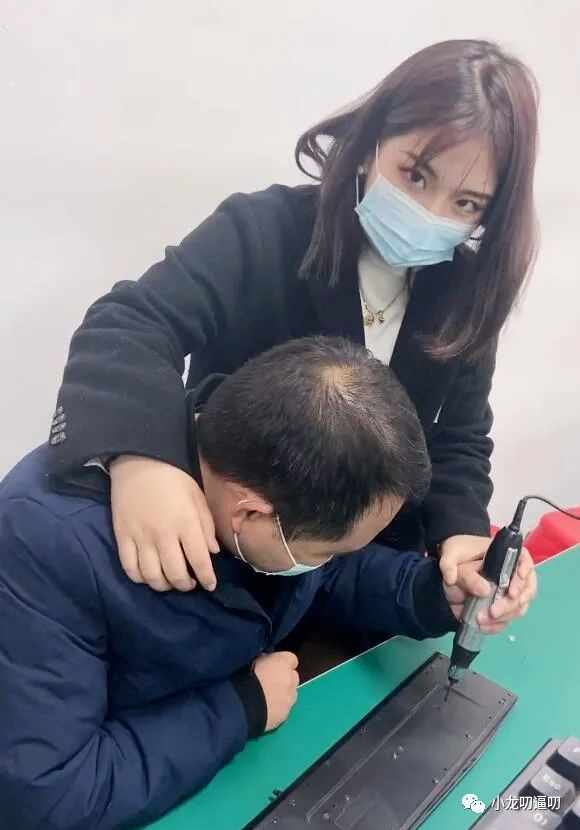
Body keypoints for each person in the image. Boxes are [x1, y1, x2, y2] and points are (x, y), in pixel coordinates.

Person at [48, 39, 539, 596]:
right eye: (416, 175)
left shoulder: (467, 291)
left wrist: (463, 535)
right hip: (234, 556)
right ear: (370, 144)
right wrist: (141, 460)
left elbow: (460, 436)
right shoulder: (263, 230)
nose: (431, 214)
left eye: (467, 204)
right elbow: (128, 326)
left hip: (367, 578)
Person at [1, 338, 536, 830]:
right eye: (329, 548)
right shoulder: (45, 544)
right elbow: (48, 796)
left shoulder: (262, 468)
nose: (330, 561)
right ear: (251, 515)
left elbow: (329, 574)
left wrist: (432, 594)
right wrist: (240, 707)